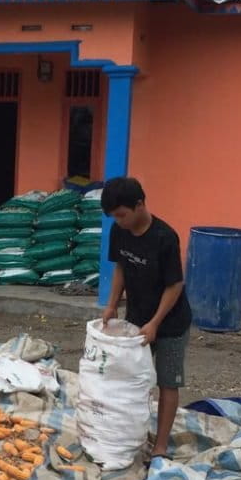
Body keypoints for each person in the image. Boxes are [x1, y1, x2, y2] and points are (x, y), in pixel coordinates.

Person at [99, 176, 192, 461]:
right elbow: (120, 270)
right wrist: (112, 305)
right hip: (136, 318)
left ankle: (161, 446)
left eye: (122, 214)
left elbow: (175, 285)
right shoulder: (119, 232)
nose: (119, 220)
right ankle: (128, 434)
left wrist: (155, 323)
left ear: (139, 205)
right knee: (130, 378)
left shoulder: (165, 237)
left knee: (167, 382)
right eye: (114, 216)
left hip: (171, 323)